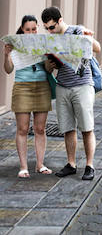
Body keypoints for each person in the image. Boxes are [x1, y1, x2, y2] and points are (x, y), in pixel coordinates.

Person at [39, 6, 100, 181]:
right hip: (62, 86)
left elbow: (97, 47)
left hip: (82, 85)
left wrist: (87, 38)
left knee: (86, 128)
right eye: (46, 28)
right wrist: (50, 65)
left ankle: (89, 165)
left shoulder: (77, 30)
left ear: (60, 20)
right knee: (67, 128)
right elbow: (47, 68)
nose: (50, 31)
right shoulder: (51, 40)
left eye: (51, 27)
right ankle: (71, 164)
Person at [4, 15, 56, 178]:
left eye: (34, 29)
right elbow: (8, 70)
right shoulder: (15, 44)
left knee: (40, 128)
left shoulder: (42, 43)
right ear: (22, 30)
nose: (32, 32)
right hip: (22, 87)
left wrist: (50, 58)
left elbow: (48, 70)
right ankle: (23, 166)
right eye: (28, 30)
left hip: (42, 87)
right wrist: (6, 55)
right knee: (23, 129)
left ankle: (39, 164)